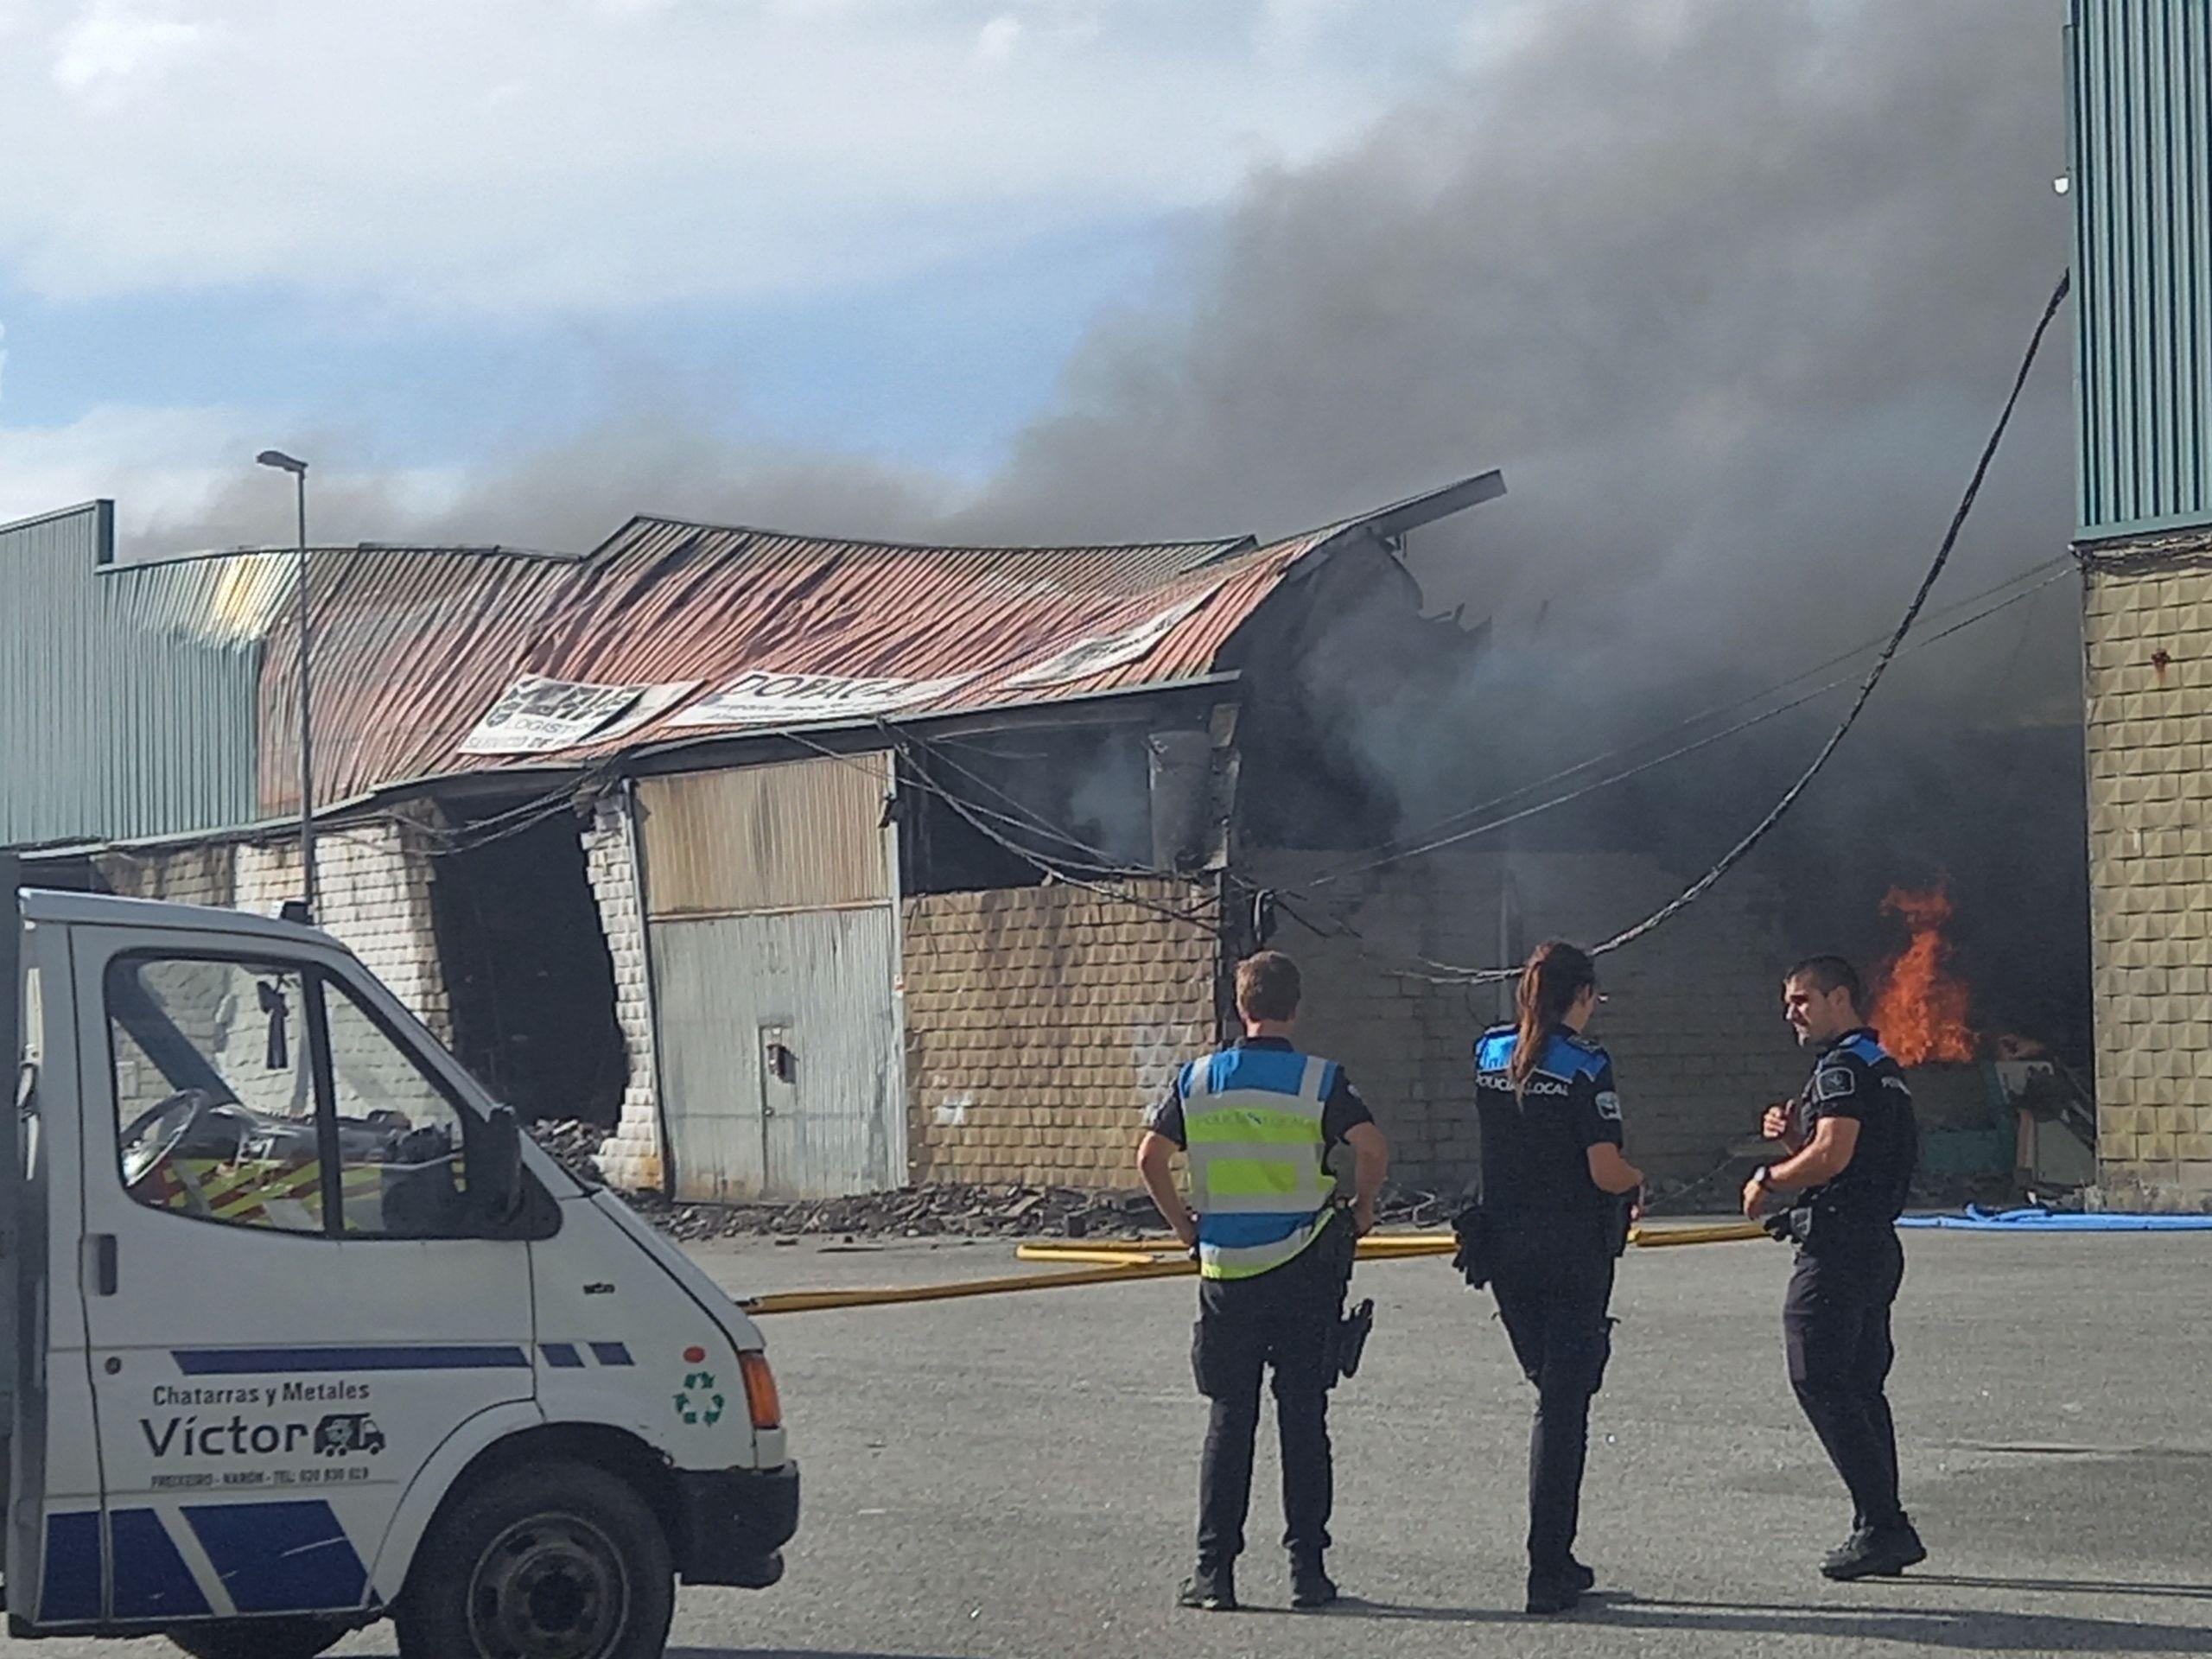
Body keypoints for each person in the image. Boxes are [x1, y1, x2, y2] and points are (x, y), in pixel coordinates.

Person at [1136, 950, 1389, 1615]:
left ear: (1239, 1006)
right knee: (1304, 1418)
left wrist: (1184, 1228)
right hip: (1304, 1267)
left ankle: (1214, 1574)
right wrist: (1362, 1209)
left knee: (1230, 1418)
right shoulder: (1318, 1080)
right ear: (1295, 1008)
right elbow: (1372, 1147)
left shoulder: (1196, 1080)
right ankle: (1308, 1573)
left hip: (1227, 1273)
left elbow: (1150, 1157)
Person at [1471, 940, 1643, 1617]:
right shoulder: (1585, 1065)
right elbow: (1605, 1167)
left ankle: (1557, 1557)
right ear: (1582, 995)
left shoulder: (1487, 1053)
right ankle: (1549, 1566)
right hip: (1571, 1250)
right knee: (1564, 1408)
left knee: (1550, 1387)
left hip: (1502, 1251)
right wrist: (1639, 1180)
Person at [1743, 955, 1924, 1580]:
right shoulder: (1880, 1065)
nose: (1791, 1012)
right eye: (1788, 1001)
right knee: (1858, 1384)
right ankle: (1878, 1521)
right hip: (1874, 1244)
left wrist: (1771, 1176)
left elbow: (1834, 1154)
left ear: (1839, 997)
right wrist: (1796, 1142)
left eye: (1801, 999)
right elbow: (1843, 1153)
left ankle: (1884, 1525)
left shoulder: (1844, 1067)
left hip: (1842, 1247)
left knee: (1817, 1375)